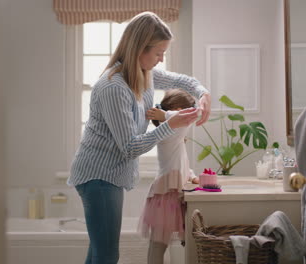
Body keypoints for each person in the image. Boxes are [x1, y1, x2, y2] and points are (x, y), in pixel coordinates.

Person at [67, 12, 211, 264]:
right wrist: (171, 123)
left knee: (99, 251)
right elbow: (130, 147)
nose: (161, 59)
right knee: (107, 253)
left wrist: (203, 93)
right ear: (139, 49)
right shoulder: (113, 87)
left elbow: (182, 80)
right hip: (97, 176)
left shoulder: (144, 73)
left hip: (108, 175)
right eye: (157, 53)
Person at [138, 89, 200, 264]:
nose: (188, 117)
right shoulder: (169, 130)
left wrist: (191, 175)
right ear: (177, 110)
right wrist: (166, 114)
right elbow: (194, 114)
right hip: (165, 194)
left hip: (171, 192)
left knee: (167, 241)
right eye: (184, 111)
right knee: (159, 243)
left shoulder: (175, 133)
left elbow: (179, 159)